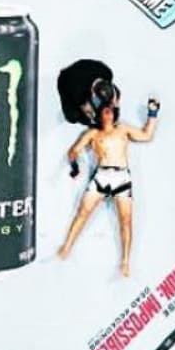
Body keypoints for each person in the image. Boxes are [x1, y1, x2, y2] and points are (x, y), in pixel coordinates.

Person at [58, 97, 159, 277]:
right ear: (100, 115)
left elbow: (146, 135)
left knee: (126, 221)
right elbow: (73, 151)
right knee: (83, 213)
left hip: (121, 177)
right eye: (105, 110)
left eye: (111, 110)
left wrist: (152, 113)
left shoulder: (123, 129)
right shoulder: (93, 133)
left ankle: (125, 262)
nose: (109, 113)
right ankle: (66, 247)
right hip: (101, 176)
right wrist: (74, 165)